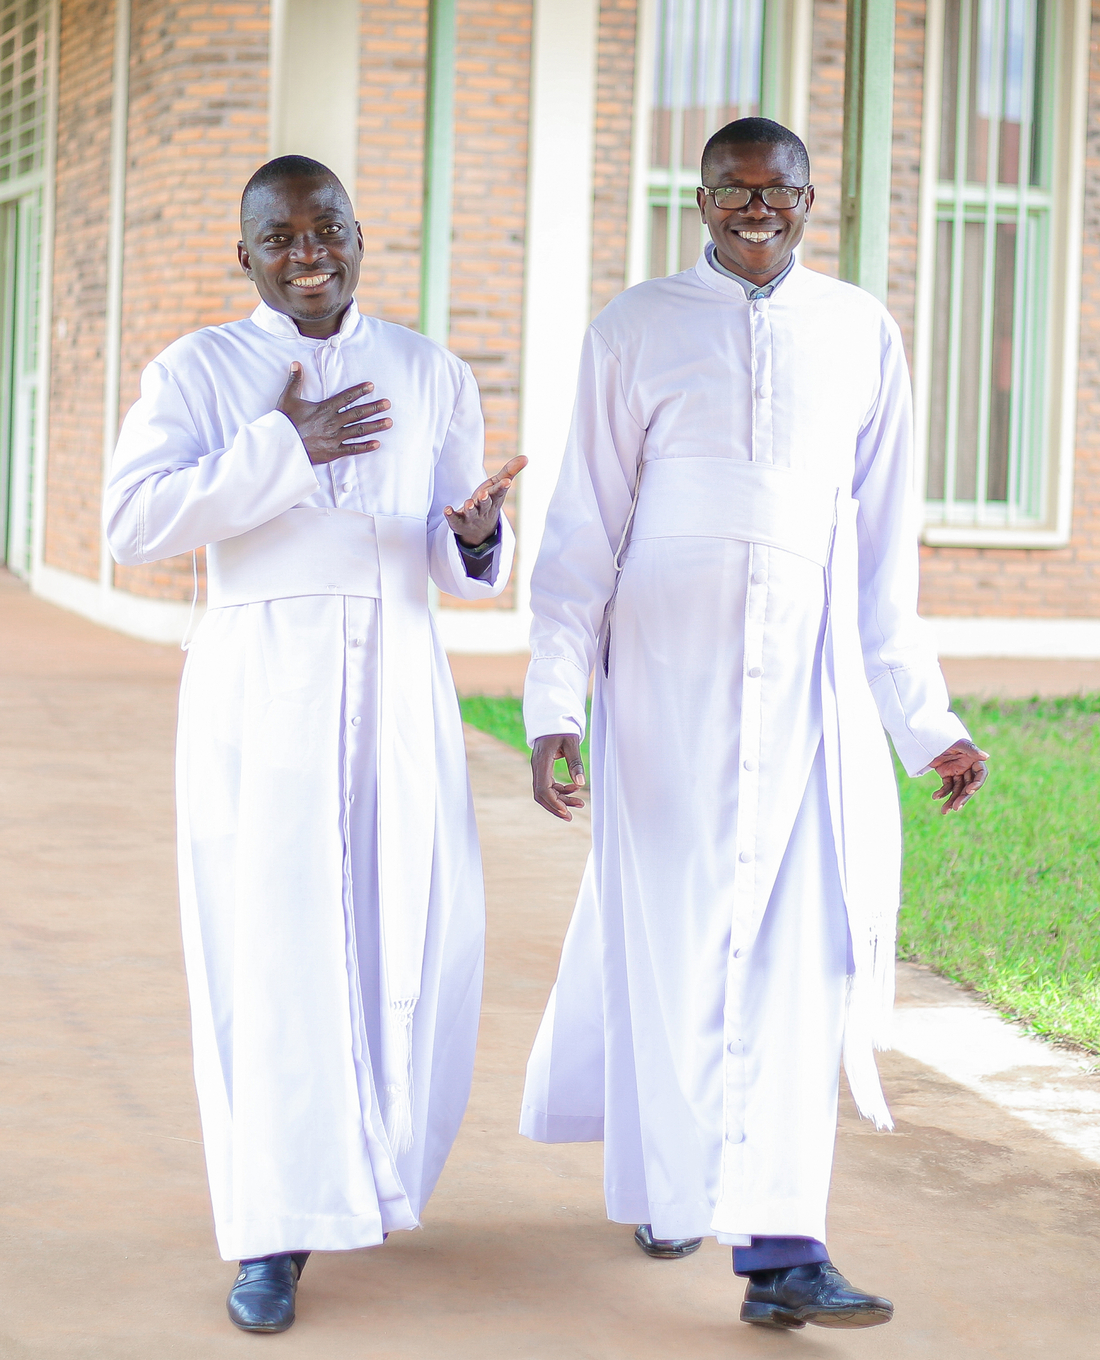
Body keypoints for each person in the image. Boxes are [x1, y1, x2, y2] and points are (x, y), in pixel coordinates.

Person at [520, 117, 988, 1332]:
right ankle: (678, 1185)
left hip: (810, 697)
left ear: (809, 199)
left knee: (796, 963)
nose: (754, 208)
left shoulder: (858, 332)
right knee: (675, 943)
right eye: (732, 190)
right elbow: (580, 534)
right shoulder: (632, 329)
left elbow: (884, 551)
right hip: (663, 689)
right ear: (700, 199)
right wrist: (554, 702)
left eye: (776, 190)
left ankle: (783, 1247)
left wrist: (921, 718)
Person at [105, 155, 524, 1335]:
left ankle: (373, 1176)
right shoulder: (199, 370)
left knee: (407, 930)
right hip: (262, 684)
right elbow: (133, 522)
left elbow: (453, 559)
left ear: (356, 233)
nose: (309, 252)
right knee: (270, 945)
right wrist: (282, 443)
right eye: (280, 236)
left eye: (327, 227)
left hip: (395, 675)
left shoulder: (429, 369)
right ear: (245, 254)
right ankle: (272, 1230)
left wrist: (478, 534)